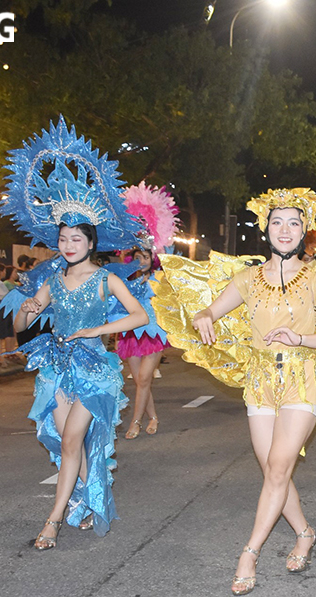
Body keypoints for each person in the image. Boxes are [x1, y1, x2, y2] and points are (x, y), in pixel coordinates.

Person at [153, 188, 316, 595]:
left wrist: (302, 338)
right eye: (276, 222)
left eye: (292, 222)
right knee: (274, 470)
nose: (284, 230)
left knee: (278, 468)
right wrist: (203, 314)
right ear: (265, 229)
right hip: (259, 383)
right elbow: (212, 310)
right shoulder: (248, 278)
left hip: (303, 378)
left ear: (304, 229)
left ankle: (249, 552)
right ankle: (304, 533)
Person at [0, 117, 148, 549]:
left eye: (76, 238)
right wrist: (26, 310)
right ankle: (92, 496)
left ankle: (53, 520)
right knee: (66, 445)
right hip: (56, 368)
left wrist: (98, 328)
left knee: (72, 440)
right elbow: (24, 327)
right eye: (62, 238)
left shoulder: (106, 280)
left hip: (95, 370)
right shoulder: (49, 279)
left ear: (90, 242)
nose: (67, 244)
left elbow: (136, 316)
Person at [115, 181, 179, 439]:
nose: (140, 259)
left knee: (143, 379)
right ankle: (152, 416)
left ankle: (135, 423)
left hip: (153, 332)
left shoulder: (159, 277)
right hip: (130, 333)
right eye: (136, 255)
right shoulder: (125, 279)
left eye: (145, 255)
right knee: (141, 380)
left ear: (152, 257)